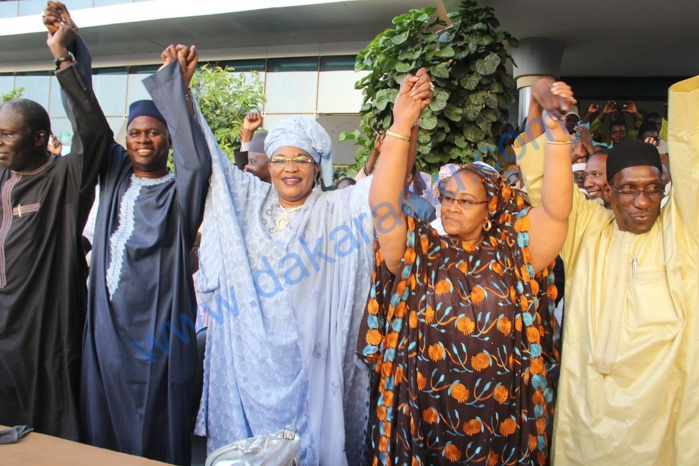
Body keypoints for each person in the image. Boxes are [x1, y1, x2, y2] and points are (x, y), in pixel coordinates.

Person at [360, 70, 574, 465]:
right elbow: (383, 206)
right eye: (447, 197)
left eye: (466, 201)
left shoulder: (515, 253)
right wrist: (402, 123)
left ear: (490, 208)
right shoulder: (420, 250)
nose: (452, 206)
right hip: (424, 418)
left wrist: (558, 139)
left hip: (500, 424)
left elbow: (557, 212)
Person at [44, 4, 211, 464]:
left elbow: (198, 160)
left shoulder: (181, 191)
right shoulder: (115, 174)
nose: (142, 140)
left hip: (157, 333)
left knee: (157, 417)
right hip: (105, 329)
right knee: (102, 416)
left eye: (154, 133)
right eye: (135, 132)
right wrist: (69, 50)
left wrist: (177, 89)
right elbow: (90, 125)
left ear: (168, 140)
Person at [517, 75, 699, 464]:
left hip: (658, 420)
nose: (643, 201)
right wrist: (538, 106)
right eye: (629, 189)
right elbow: (541, 179)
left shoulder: (680, 234)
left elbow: (692, 163)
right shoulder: (586, 230)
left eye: (653, 188)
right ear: (608, 191)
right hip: (587, 414)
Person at [193, 114, 375, 463]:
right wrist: (185, 97)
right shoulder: (250, 202)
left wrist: (405, 125)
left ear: (317, 166)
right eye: (280, 159)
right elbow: (213, 160)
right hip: (252, 363)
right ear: (269, 165)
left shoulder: (338, 209)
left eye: (300, 159)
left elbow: (382, 189)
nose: (289, 168)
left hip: (313, 363)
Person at [0, 7, 111, 439]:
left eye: (7, 135)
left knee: (47, 427)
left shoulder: (65, 178)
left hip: (46, 326)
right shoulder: (4, 177)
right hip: (4, 324)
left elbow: (93, 132)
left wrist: (67, 57)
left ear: (40, 137)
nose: (0, 143)